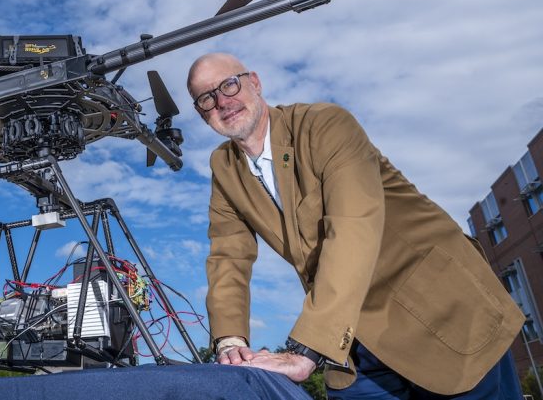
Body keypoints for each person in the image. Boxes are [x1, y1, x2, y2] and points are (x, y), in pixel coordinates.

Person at [186, 52, 524, 399]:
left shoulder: (325, 124)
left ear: (254, 82)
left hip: (440, 312)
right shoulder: (224, 166)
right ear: (201, 113)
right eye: (206, 98)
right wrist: (230, 341)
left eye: (229, 85)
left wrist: (307, 349)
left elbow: (352, 228)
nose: (222, 102)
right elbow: (228, 255)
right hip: (354, 339)